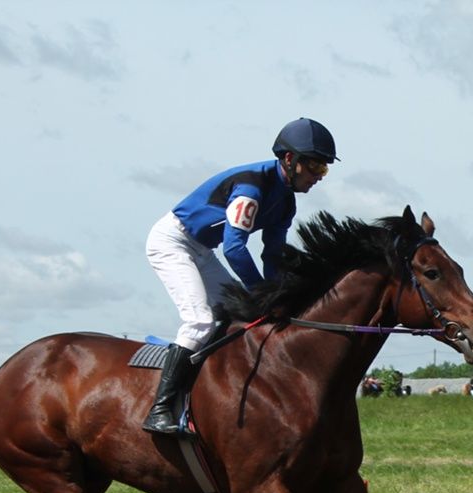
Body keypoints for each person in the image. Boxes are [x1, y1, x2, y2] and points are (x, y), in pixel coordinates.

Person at [142, 117, 339, 434]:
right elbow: (235, 248)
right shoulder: (251, 187)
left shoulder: (285, 201)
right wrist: (261, 294)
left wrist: (276, 296)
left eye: (324, 169)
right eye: (315, 166)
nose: (319, 177)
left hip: (202, 250)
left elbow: (272, 255)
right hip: (172, 242)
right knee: (200, 321)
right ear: (290, 159)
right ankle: (159, 409)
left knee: (238, 315)